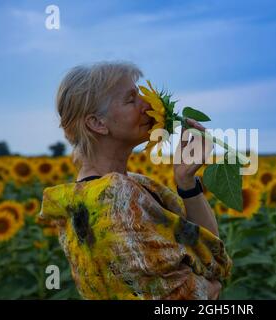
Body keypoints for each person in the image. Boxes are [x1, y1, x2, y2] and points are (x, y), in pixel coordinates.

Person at [40, 61, 232, 299]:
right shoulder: (112, 203)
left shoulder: (135, 186)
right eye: (131, 100)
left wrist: (186, 183)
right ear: (97, 123)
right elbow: (191, 295)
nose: (149, 105)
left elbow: (210, 252)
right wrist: (210, 286)